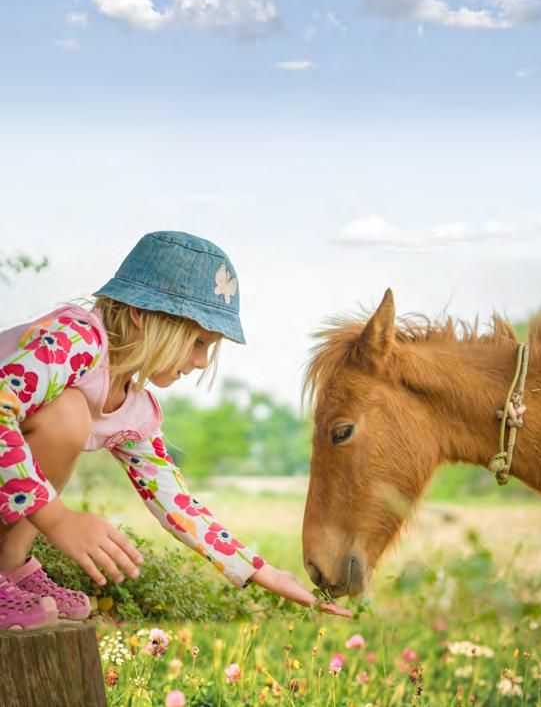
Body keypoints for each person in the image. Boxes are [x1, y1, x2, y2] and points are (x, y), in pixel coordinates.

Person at [0, 231, 350, 630]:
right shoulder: (75, 340)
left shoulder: (132, 407)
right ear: (141, 313)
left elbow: (177, 503)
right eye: (198, 341)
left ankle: (10, 565)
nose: (202, 361)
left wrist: (263, 573)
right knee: (68, 416)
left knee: (70, 417)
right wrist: (57, 518)